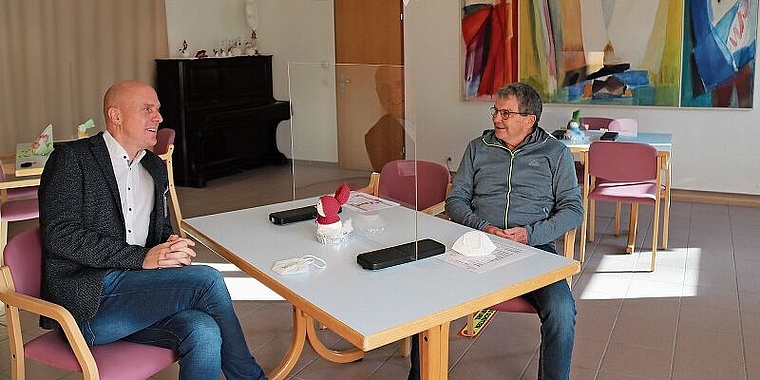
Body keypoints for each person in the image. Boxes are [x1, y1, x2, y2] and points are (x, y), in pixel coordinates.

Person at [38, 80, 268, 380]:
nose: (158, 118)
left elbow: (158, 236)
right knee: (206, 279)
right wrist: (142, 258)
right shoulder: (73, 159)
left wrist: (171, 247)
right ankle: (251, 378)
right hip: (88, 307)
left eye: (158, 110)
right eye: (148, 109)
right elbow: (60, 234)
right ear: (116, 116)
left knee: (204, 330)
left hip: (138, 296)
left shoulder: (154, 168)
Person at [408, 82, 583, 380]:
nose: (496, 119)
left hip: (533, 249)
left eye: (506, 113)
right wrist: (482, 227)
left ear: (530, 119)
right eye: (495, 111)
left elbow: (573, 209)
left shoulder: (555, 153)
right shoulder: (478, 147)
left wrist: (529, 234)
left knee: (562, 311)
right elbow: (456, 198)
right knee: (425, 294)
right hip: (476, 244)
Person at [364, 65, 405, 171]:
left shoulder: (432, 118)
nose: (393, 94)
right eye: (385, 88)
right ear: (378, 93)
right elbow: (393, 178)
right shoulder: (376, 137)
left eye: (400, 84)